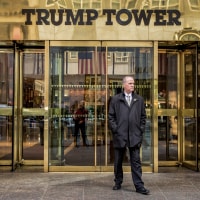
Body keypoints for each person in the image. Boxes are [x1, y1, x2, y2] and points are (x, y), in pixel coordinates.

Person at [108, 76, 149, 195]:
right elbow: (111, 117)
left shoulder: (139, 99)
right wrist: (116, 130)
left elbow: (143, 117)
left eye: (133, 83)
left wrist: (140, 130)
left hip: (134, 136)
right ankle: (118, 182)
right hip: (120, 136)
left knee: (136, 162)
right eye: (130, 83)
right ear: (124, 85)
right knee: (118, 161)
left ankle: (139, 186)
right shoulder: (115, 99)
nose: (132, 85)